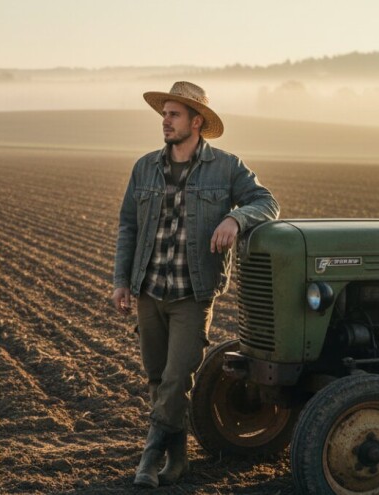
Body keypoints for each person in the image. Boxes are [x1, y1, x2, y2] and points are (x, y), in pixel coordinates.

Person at [112, 81, 279, 488]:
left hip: (192, 294)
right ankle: (179, 457)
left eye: (173, 114)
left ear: (196, 121)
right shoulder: (144, 167)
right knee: (157, 377)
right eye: (164, 114)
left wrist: (235, 219)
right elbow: (129, 226)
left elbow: (266, 202)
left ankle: (150, 457)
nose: (165, 121)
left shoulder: (227, 167)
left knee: (176, 378)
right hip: (150, 290)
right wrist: (121, 282)